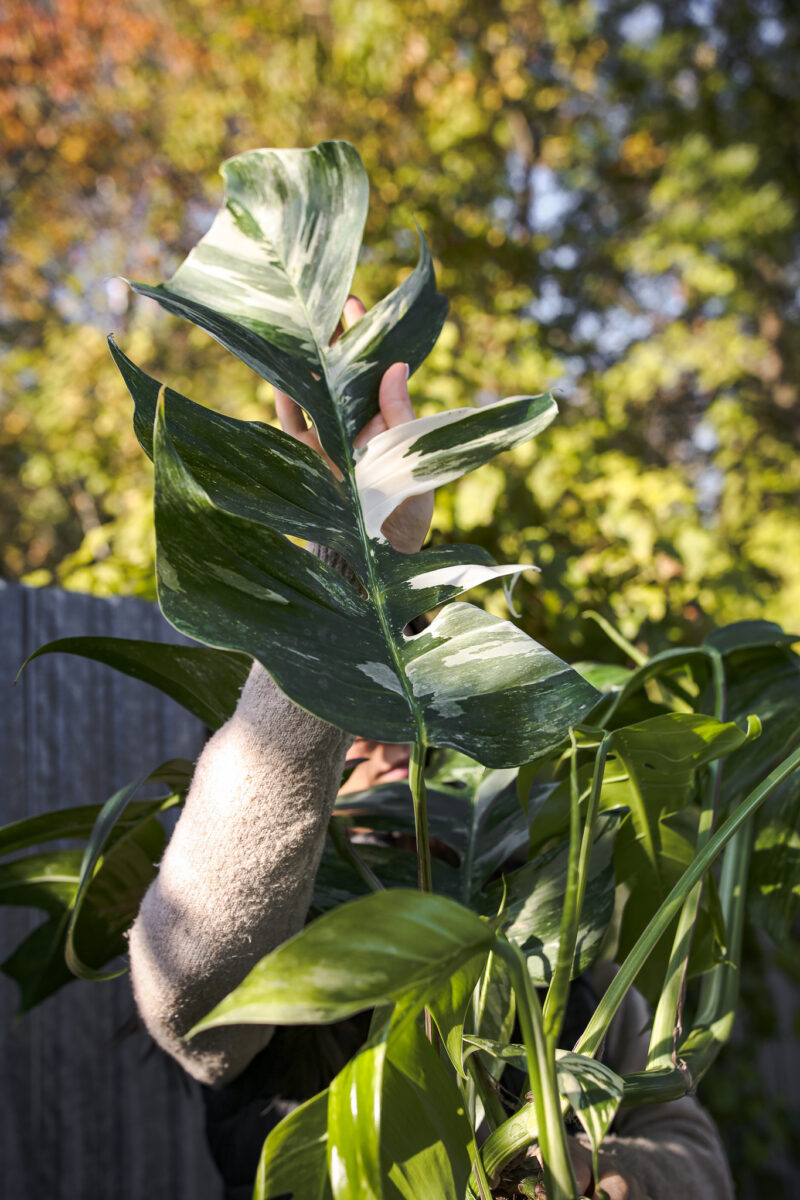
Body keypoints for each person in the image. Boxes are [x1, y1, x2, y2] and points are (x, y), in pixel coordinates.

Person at [128, 298, 733, 1200]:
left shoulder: (550, 938)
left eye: (409, 714)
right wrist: (355, 562)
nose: (387, 747)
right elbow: (189, 972)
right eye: (352, 738)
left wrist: (588, 1174)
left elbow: (694, 1152)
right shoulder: (282, 966)